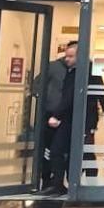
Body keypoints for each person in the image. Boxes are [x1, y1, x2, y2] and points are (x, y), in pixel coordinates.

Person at [41, 41, 79, 194]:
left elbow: (69, 98)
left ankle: (62, 185)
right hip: (64, 116)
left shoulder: (78, 73)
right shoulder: (68, 71)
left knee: (59, 151)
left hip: (67, 117)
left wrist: (56, 114)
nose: (67, 59)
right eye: (66, 56)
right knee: (58, 151)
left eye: (70, 56)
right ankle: (58, 184)